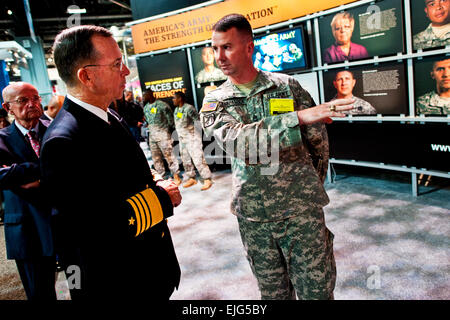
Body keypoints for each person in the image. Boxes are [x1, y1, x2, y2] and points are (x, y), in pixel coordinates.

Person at [200, 14, 353, 300]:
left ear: (249, 47)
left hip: (301, 213)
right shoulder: (214, 101)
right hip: (255, 217)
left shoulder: (287, 86)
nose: (219, 56)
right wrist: (298, 118)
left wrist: (305, 184)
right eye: (215, 48)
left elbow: (318, 144)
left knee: (317, 293)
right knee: (274, 295)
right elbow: (237, 142)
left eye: (227, 47)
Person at [40, 25, 181, 300]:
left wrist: (154, 179)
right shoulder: (64, 141)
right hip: (119, 283)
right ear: (87, 76)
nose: (126, 71)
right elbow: (97, 227)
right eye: (117, 64)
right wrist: (162, 197)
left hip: (146, 270)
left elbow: (128, 172)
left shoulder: (105, 115)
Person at [0, 82, 55, 300]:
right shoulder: (2, 140)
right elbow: (2, 176)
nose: (32, 104)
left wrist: (23, 173)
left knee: (76, 282)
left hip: (63, 223)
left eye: (35, 98)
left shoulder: (55, 129)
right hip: (28, 230)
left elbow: (73, 165)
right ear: (8, 108)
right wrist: (46, 168)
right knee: (40, 293)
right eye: (23, 100)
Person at [172, 91, 212, 190]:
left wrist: (196, 136)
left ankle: (207, 179)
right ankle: (191, 178)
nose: (173, 100)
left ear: (180, 98)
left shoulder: (189, 108)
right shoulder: (176, 110)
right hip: (182, 139)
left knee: (198, 159)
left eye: (174, 98)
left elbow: (198, 121)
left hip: (192, 137)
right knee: (185, 159)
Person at [143, 88, 182, 185]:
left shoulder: (162, 105)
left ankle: (176, 175)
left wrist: (166, 130)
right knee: (156, 158)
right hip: (152, 137)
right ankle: (161, 177)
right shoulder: (146, 107)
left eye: (145, 95)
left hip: (163, 135)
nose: (143, 97)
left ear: (150, 95)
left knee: (169, 156)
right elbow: (148, 121)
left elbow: (170, 120)